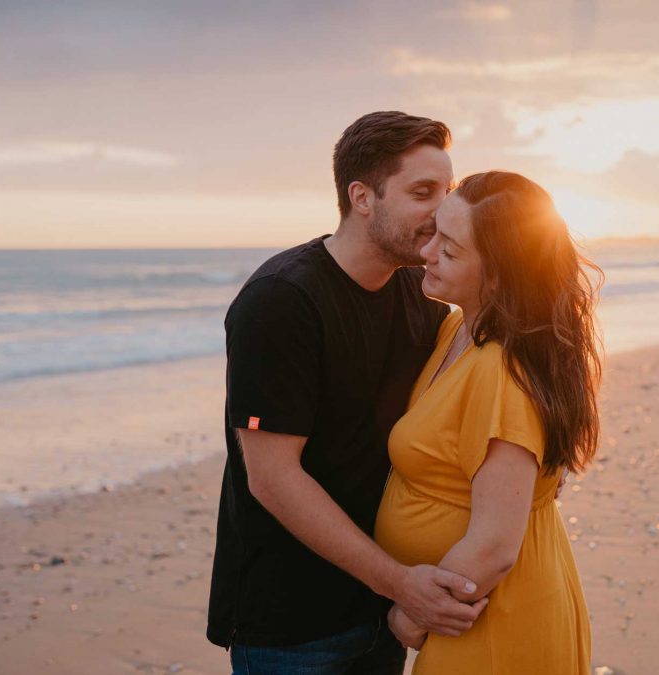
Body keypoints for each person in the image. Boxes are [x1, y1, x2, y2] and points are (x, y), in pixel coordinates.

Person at [206, 111, 487, 674]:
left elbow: (484, 358)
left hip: (383, 610)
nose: (444, 210)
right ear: (363, 197)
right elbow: (274, 478)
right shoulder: (281, 302)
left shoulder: (421, 290)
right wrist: (402, 583)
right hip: (291, 622)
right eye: (423, 192)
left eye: (449, 191)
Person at [375, 171, 603, 674]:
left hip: (494, 620)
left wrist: (411, 616)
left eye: (451, 250)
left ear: (499, 275)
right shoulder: (460, 326)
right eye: (434, 232)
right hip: (477, 611)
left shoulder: (503, 368)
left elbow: (495, 546)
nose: (428, 252)